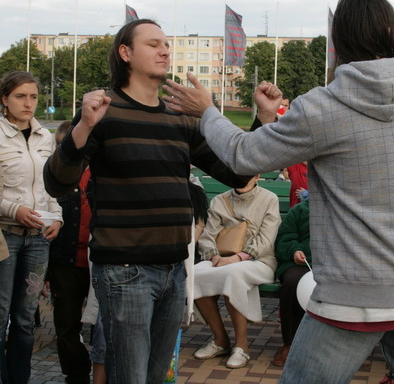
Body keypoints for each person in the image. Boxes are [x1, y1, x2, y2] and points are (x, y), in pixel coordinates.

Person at [164, 0, 394, 383]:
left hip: (352, 294)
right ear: (390, 31)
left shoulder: (322, 106)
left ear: (339, 41)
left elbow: (243, 156)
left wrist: (207, 111)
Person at [43, 19, 275, 382]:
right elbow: (57, 183)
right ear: (126, 53)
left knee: (155, 377)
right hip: (125, 271)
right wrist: (84, 127)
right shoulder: (103, 110)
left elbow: (239, 171)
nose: (165, 50)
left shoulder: (179, 117)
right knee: (129, 377)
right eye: (153, 44)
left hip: (174, 269)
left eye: (166, 44)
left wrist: (262, 118)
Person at [0, 71, 63, 383]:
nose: (28, 103)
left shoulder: (44, 136)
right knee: (0, 318)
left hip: (38, 238)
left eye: (33, 97)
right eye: (20, 96)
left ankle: (19, 379)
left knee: (25, 319)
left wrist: (58, 216)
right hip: (5, 237)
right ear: (4, 99)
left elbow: (49, 186)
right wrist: (15, 209)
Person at [192, 175, 281, 369]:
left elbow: (266, 240)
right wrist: (214, 256)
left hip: (260, 260)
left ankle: (242, 346)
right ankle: (220, 340)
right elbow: (208, 236)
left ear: (257, 176)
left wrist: (237, 258)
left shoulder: (269, 199)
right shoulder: (220, 200)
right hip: (221, 258)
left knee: (232, 274)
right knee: (195, 274)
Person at [46, 120, 93, 383]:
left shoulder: (101, 172)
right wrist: (46, 272)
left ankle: (102, 370)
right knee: (66, 325)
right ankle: (76, 374)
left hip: (99, 259)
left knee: (102, 324)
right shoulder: (55, 177)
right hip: (65, 261)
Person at [272, 191, 311, 367]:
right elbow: (284, 239)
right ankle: (289, 343)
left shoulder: (342, 210)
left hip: (334, 264)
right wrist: (294, 250)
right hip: (300, 263)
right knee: (292, 283)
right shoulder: (300, 210)